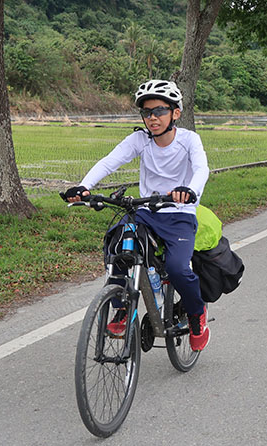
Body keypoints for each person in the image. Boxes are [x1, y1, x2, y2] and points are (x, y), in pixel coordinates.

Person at [63, 79, 211, 351]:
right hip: (146, 212)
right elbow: (111, 160)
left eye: (159, 111)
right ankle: (120, 306)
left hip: (179, 214)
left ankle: (196, 313)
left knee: (178, 269)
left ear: (175, 113)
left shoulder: (190, 140)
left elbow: (202, 169)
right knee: (118, 245)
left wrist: (189, 190)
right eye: (147, 112)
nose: (152, 118)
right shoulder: (140, 140)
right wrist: (85, 187)